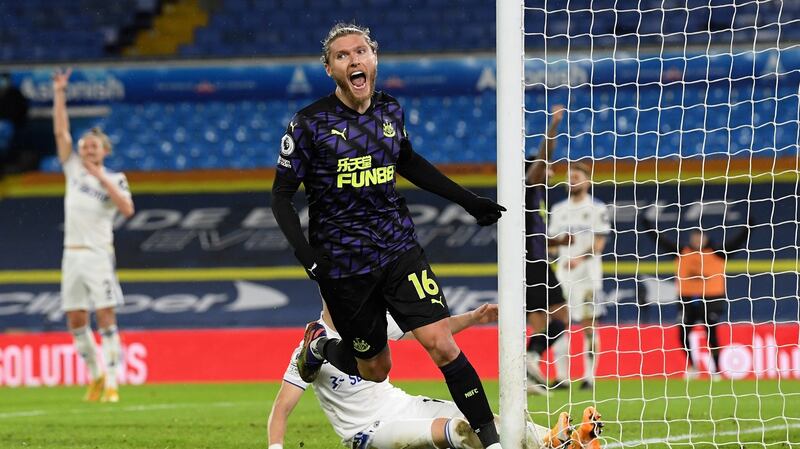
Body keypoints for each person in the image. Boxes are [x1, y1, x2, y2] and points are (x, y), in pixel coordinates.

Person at [270, 23, 506, 448]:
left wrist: (469, 200)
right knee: (375, 368)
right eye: (342, 56)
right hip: (344, 265)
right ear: (329, 69)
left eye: (361, 51)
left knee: (441, 344)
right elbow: (280, 197)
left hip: (398, 249)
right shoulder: (309, 124)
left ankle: (493, 443)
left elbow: (409, 162)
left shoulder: (390, 111)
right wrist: (308, 258)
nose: (354, 60)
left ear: (374, 59)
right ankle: (321, 349)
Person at [267, 302, 604, 449]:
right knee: (460, 431)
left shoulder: (373, 324)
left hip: (405, 405)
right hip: (369, 431)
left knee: (479, 418)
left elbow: (429, 331)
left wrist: (473, 316)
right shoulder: (311, 347)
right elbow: (281, 408)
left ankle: (561, 438)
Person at [53, 69, 134, 402]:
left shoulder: (116, 178)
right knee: (74, 317)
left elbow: (127, 209)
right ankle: (96, 375)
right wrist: (59, 92)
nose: (87, 150)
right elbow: (60, 131)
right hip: (70, 253)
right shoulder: (71, 170)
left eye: (94, 147)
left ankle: (114, 380)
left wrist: (101, 177)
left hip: (98, 253)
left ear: (104, 152)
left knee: (105, 314)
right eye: (84, 146)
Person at [639, 214, 751, 379]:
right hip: (687, 299)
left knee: (711, 331)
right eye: (695, 237)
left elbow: (737, 242)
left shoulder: (718, 253)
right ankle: (692, 367)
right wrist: (647, 225)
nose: (697, 240)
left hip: (712, 299)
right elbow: (660, 240)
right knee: (682, 333)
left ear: (706, 238)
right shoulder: (681, 252)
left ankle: (716, 369)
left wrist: (748, 227)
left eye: (701, 237)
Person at [547, 162, 610, 390]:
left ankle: (589, 377)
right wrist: (551, 255)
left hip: (588, 276)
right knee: (559, 322)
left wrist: (579, 258)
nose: (572, 180)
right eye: (569, 177)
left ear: (587, 181)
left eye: (577, 176)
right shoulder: (558, 209)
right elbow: (552, 244)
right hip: (563, 275)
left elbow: (599, 242)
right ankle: (562, 376)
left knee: (588, 325)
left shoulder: (597, 208)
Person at [524, 105, 572, 394]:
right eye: (546, 169)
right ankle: (530, 358)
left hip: (530, 261)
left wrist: (556, 242)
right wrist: (554, 126)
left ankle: (529, 378)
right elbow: (544, 156)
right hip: (534, 264)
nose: (551, 171)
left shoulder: (536, 198)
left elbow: (532, 233)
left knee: (540, 323)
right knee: (563, 315)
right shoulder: (527, 187)